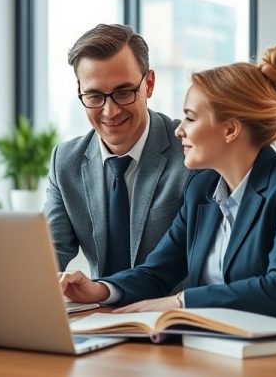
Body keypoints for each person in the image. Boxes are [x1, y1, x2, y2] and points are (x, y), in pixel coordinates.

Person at [59, 45, 276, 318]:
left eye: (190, 118)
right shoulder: (201, 189)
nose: (179, 130)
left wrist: (181, 302)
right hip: (211, 339)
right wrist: (100, 289)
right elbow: (156, 273)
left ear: (230, 129)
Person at [44, 24, 192, 279]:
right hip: (97, 303)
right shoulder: (65, 162)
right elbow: (47, 257)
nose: (110, 112)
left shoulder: (190, 150)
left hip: (171, 303)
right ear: (80, 92)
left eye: (123, 93)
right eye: (94, 96)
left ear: (149, 84)